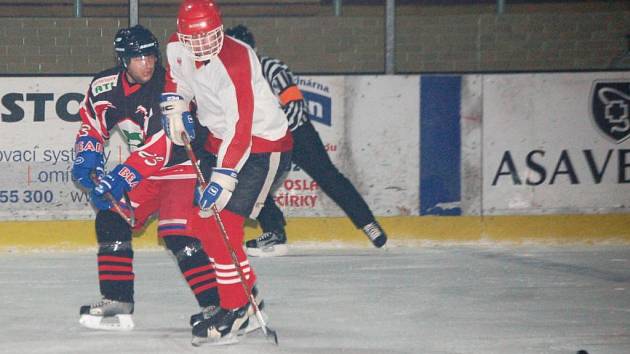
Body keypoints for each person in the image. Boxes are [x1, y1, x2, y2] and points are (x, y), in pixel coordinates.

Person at [71, 25, 220, 331]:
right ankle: (118, 299)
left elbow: (163, 145)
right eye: (139, 57)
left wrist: (121, 177)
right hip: (148, 171)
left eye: (151, 56)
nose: (148, 63)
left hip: (182, 166)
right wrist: (87, 155)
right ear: (123, 60)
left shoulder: (169, 85)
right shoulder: (103, 86)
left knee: (176, 232)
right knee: (111, 217)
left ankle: (216, 304)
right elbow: (92, 124)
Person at [224, 25, 388, 257]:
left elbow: (294, 106)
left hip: (296, 132)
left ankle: (368, 222)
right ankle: (274, 233)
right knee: (250, 182)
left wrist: (273, 132)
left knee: (327, 176)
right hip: (264, 137)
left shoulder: (272, 68)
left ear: (253, 50)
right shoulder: (227, 79)